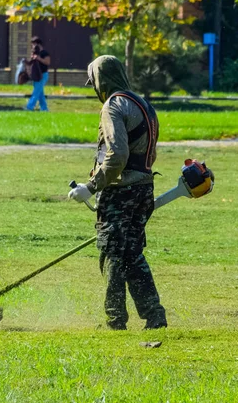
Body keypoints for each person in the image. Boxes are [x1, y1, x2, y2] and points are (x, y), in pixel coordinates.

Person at [68, 55, 167, 330]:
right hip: (144, 188)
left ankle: (115, 319)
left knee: (112, 252)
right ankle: (154, 315)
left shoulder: (113, 106)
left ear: (101, 81)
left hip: (120, 192)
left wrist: (90, 186)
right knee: (132, 254)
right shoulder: (142, 104)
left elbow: (117, 155)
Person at [25, 36, 50, 111]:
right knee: (40, 94)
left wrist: (38, 58)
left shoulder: (44, 53)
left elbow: (47, 62)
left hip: (43, 75)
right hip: (36, 75)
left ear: (38, 44)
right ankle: (44, 109)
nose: (33, 46)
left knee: (36, 92)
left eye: (33, 44)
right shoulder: (35, 52)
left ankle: (29, 107)